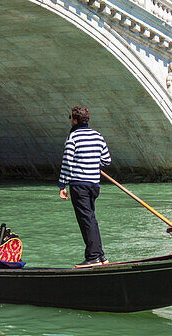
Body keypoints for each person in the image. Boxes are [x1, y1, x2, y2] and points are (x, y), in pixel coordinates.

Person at [58, 105, 111, 266]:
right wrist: (94, 162)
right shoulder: (98, 136)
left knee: (86, 219)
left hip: (79, 184)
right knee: (91, 218)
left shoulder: (73, 137)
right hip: (94, 184)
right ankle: (100, 256)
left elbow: (67, 162)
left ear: (74, 120)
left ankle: (93, 257)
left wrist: (62, 185)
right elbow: (107, 160)